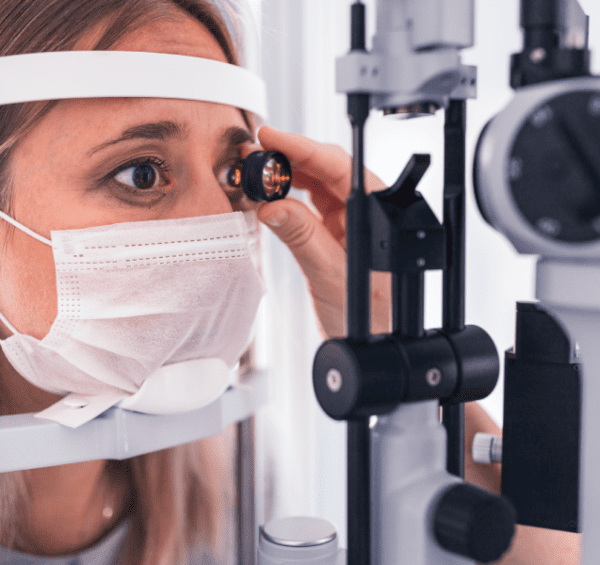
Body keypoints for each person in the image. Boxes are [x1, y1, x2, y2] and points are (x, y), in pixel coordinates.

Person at [0, 0, 582, 564]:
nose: (220, 220)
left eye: (235, 174)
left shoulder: (233, 478)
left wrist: (397, 345)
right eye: (142, 172)